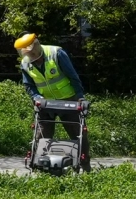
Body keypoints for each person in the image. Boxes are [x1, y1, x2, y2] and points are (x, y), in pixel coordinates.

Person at [16, 32, 89, 168]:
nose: (31, 57)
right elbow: (28, 85)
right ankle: (39, 166)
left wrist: (80, 97)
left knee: (78, 133)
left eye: (32, 53)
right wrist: (36, 97)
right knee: (41, 135)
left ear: (36, 48)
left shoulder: (56, 54)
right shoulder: (25, 63)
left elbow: (73, 76)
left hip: (69, 101)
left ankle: (85, 166)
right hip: (45, 103)